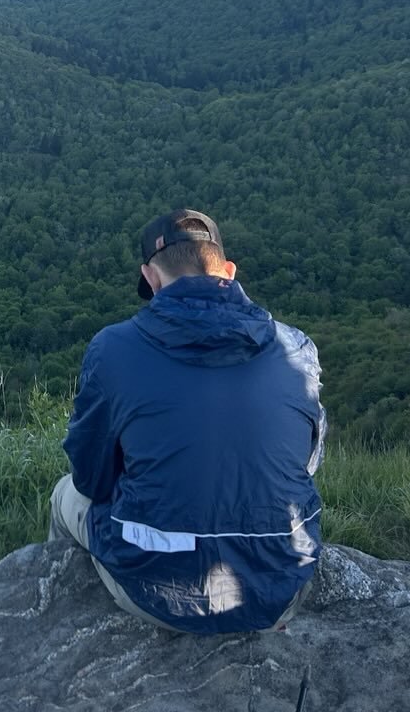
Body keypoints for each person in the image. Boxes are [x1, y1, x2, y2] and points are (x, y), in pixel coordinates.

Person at [49, 208, 326, 634]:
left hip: (158, 592)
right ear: (229, 271)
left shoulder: (114, 350)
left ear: (151, 277)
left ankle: (56, 616)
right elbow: (304, 464)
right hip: (280, 587)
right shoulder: (296, 348)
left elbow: (91, 479)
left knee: (63, 494)